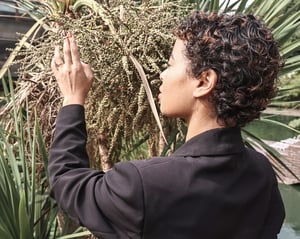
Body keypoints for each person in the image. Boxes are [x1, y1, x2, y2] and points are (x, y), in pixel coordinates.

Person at [49, 10, 285, 239]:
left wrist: (72, 98)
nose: (162, 75)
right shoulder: (261, 174)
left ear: (204, 82)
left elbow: (68, 182)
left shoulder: (144, 185)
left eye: (171, 64)